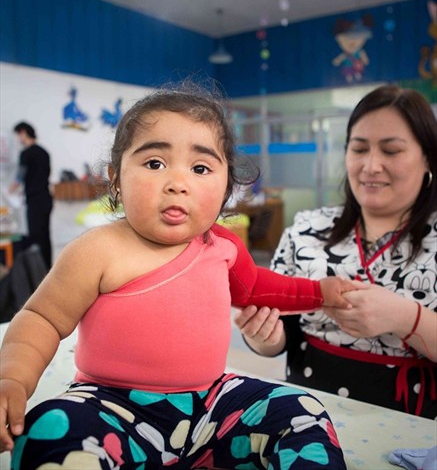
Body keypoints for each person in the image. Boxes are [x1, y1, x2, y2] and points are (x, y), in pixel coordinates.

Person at [0, 83, 353, 469]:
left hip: (212, 409)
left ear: (226, 188)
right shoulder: (96, 250)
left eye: (201, 168)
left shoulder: (223, 247)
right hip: (111, 410)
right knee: (50, 429)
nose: (177, 183)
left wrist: (322, 292)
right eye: (155, 163)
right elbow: (42, 318)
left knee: (300, 412)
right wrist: (15, 379)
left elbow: (262, 288)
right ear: (116, 178)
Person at [235, 85, 437, 419]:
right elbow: (279, 339)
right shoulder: (305, 231)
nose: (371, 166)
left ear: (428, 156)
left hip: (414, 423)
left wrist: (405, 318)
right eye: (359, 149)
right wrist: (261, 335)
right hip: (307, 416)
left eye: (391, 150)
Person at [10, 122, 53, 269]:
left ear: (23, 132)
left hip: (35, 201)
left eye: (18, 135)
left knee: (35, 236)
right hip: (46, 199)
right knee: (45, 236)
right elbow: (41, 176)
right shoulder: (44, 152)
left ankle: (37, 271)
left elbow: (20, 176)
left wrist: (11, 189)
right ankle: (47, 268)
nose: (18, 139)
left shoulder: (26, 153)